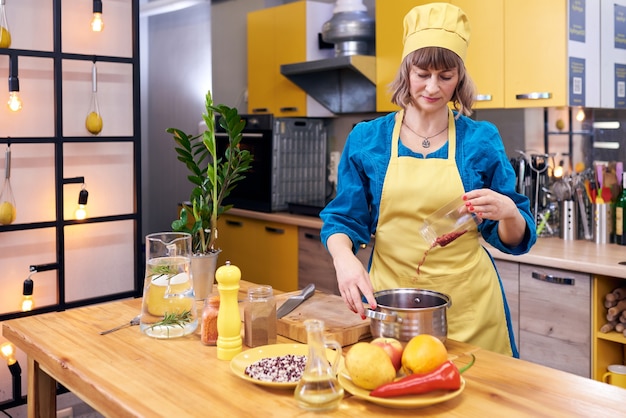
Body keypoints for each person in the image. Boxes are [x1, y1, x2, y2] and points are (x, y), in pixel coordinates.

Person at [320, 3, 536, 357]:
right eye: (422, 74)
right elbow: (343, 219)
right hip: (393, 306)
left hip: (469, 308)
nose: (433, 87)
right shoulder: (367, 139)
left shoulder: (479, 140)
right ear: (406, 71)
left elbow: (511, 237)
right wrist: (343, 259)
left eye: (446, 76)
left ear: (460, 78)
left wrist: (509, 211)